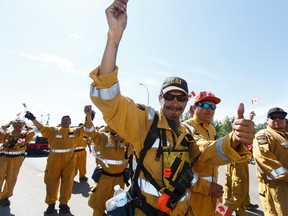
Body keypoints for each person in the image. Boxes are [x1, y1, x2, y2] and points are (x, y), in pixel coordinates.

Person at [87, 0, 255, 215]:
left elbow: (205, 154)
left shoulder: (185, 134)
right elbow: (109, 100)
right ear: (160, 98)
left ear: (186, 103)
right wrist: (114, 38)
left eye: (181, 98)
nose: (175, 102)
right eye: (170, 96)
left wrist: (234, 139)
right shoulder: (145, 121)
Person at [25, 110, 89, 214]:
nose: (65, 121)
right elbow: (42, 128)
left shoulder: (75, 131)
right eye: (63, 119)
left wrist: (88, 116)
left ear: (70, 122)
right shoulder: (53, 130)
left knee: (67, 183)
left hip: (69, 160)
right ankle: (51, 204)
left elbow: (86, 127)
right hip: (54, 160)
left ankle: (63, 204)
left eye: (67, 120)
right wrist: (33, 118)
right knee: (51, 182)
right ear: (61, 121)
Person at [182, 91, 224, 216]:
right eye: (205, 105)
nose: (209, 110)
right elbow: (203, 149)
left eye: (213, 107)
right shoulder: (186, 127)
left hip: (213, 192)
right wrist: (232, 142)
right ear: (194, 107)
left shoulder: (211, 128)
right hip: (195, 193)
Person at [84, 115, 133, 216]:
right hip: (105, 178)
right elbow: (91, 132)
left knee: (118, 206)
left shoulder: (127, 139)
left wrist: (123, 139)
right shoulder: (103, 137)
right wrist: (88, 117)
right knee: (99, 205)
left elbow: (133, 148)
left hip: (119, 179)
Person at [253, 107, 288, 216]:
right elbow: (265, 159)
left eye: (281, 117)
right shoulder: (263, 135)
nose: (278, 119)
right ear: (267, 120)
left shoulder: (284, 136)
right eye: (273, 117)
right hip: (275, 187)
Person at [224, 111, 259, 216]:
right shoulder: (237, 135)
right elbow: (241, 131)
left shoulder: (234, 137)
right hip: (238, 161)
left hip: (238, 160)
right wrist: (250, 118)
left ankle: (244, 206)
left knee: (234, 187)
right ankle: (223, 213)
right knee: (238, 191)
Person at [0, 119, 35, 206]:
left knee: (11, 179)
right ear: (12, 125)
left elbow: (32, 132)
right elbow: (1, 132)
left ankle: (4, 197)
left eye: (20, 125)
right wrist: (7, 124)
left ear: (22, 126)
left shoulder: (25, 135)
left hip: (16, 160)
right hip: (3, 158)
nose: (17, 127)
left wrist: (26, 124)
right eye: (15, 125)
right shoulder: (7, 134)